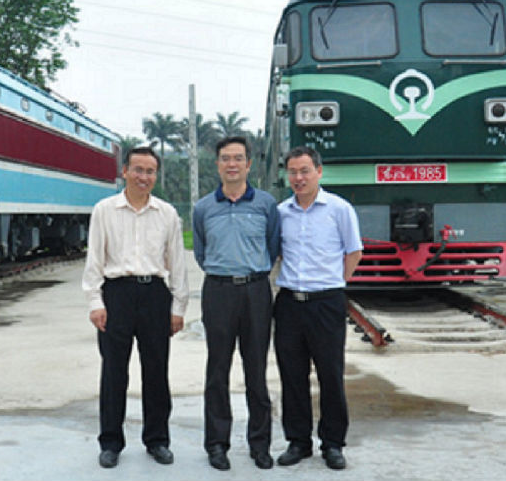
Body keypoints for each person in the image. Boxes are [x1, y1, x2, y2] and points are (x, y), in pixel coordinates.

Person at [82, 146, 189, 469]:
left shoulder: (166, 213)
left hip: (155, 294)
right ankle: (111, 442)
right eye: (138, 170)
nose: (144, 177)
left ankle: (157, 440)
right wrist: (95, 302)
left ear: (156, 175)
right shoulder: (104, 210)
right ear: (125, 171)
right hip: (116, 294)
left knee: (156, 370)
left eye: (150, 171)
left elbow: (177, 262)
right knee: (114, 371)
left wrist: (178, 307)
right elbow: (94, 259)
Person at [192, 136, 281, 471]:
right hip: (218, 291)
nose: (232, 164)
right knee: (217, 369)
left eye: (238, 158)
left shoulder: (266, 204)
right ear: (217, 165)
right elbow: (201, 252)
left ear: (248, 164)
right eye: (226, 158)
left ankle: (260, 444)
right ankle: (217, 444)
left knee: (256, 369)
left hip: (256, 291)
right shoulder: (203, 208)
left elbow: (273, 246)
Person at [273, 146, 363, 471]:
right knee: (292, 375)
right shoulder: (280, 213)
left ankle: (333, 443)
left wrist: (333, 283)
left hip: (326, 303)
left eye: (305, 171)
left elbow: (354, 252)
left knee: (330, 374)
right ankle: (298, 441)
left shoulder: (339, 209)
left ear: (319, 172)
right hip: (289, 304)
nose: (299, 178)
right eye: (293, 172)